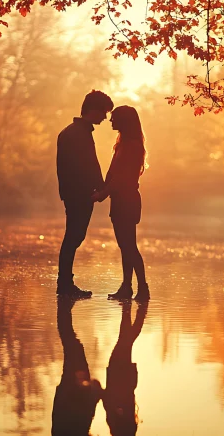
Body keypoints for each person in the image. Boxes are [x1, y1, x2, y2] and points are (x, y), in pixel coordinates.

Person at [56, 90, 114, 298]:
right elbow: (87, 165)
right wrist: (99, 188)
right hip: (79, 195)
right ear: (93, 110)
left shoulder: (71, 132)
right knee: (73, 237)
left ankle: (65, 283)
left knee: (73, 237)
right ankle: (64, 285)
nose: (105, 117)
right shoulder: (78, 134)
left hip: (73, 194)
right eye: (104, 112)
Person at [91, 105, 149, 301]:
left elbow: (122, 178)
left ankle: (142, 288)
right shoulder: (123, 143)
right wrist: (103, 190)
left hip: (127, 200)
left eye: (114, 117)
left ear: (124, 120)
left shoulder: (132, 146)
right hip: (120, 200)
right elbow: (112, 173)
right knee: (125, 246)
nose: (110, 120)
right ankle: (127, 287)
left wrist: (102, 194)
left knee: (129, 246)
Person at [51, 298, 103, 435]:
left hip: (73, 393)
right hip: (69, 395)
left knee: (73, 346)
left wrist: (96, 392)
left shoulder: (79, 429)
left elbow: (86, 412)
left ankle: (63, 304)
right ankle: (63, 305)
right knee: (72, 345)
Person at [102, 301, 148, 435]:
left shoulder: (126, 425)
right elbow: (109, 401)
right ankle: (137, 310)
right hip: (119, 376)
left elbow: (108, 401)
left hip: (127, 379)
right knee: (126, 340)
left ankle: (132, 310)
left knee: (125, 339)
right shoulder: (117, 422)